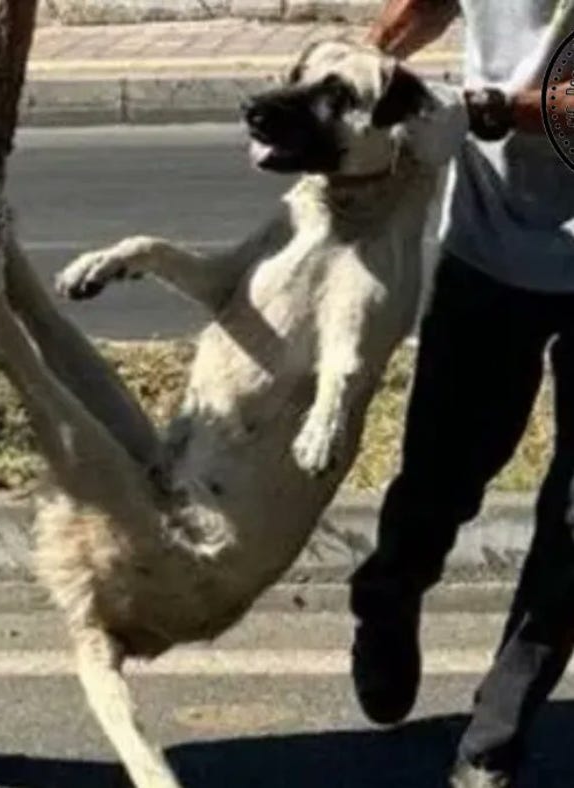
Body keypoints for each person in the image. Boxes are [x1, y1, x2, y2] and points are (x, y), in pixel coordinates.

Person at [350, 1, 574, 786]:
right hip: (489, 240)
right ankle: (390, 589)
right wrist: (367, 61)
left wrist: (483, 110)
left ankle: (495, 734)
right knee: (443, 472)